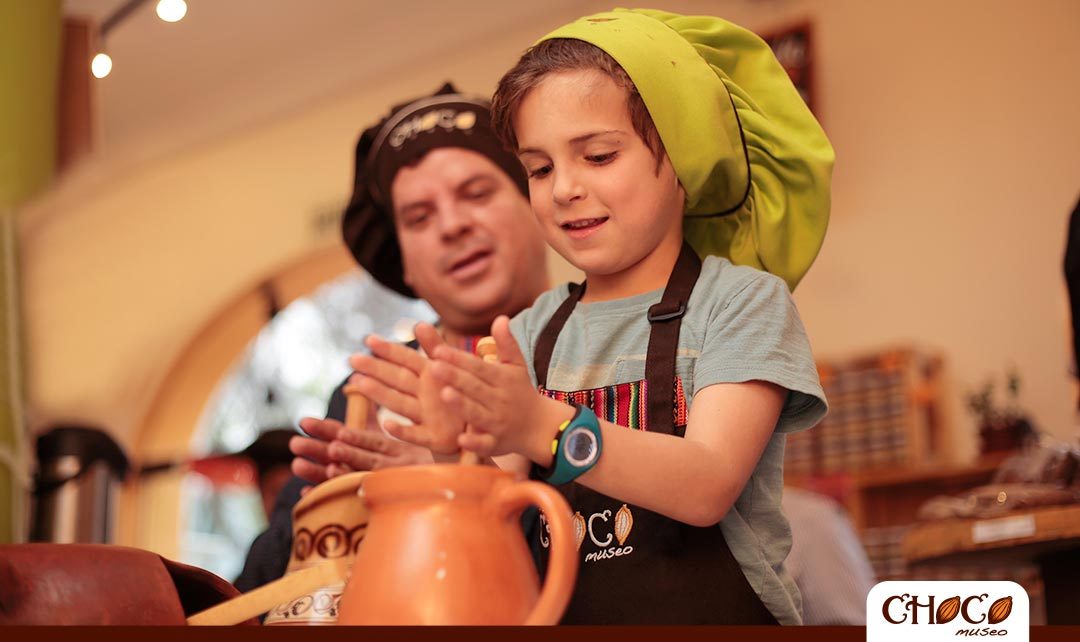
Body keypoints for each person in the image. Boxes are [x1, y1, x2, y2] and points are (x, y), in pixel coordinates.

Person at [355, 9, 833, 624]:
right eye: (540, 168)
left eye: (599, 156)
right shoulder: (529, 333)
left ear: (682, 159)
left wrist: (542, 425)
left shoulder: (742, 303)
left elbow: (707, 484)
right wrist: (454, 453)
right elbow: (496, 508)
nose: (563, 190)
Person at [234, 84, 550, 591]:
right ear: (403, 261)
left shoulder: (611, 350)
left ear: (536, 201)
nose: (451, 225)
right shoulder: (370, 393)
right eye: (418, 217)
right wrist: (326, 507)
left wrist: (447, 480)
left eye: (476, 193)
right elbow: (265, 588)